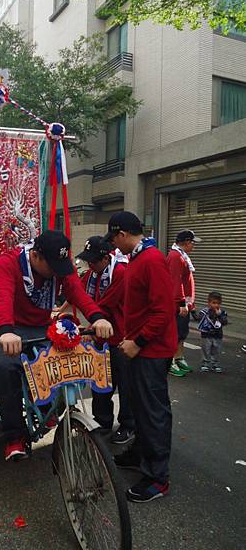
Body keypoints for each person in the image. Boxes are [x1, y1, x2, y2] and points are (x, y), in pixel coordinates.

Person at [0, 229, 113, 462]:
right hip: (6, 325)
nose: (57, 272)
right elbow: (2, 296)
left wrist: (97, 317)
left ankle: (46, 410)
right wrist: (6, 331)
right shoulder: (9, 262)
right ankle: (14, 436)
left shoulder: (59, 264)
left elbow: (76, 290)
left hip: (40, 323)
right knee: (6, 369)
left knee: (64, 361)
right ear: (35, 256)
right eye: (52, 266)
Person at [104, 211, 176, 503]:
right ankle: (140, 453)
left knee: (153, 411)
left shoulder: (152, 260)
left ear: (122, 234)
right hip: (136, 346)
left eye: (113, 239)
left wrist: (139, 341)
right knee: (136, 404)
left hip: (152, 350)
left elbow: (163, 311)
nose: (113, 245)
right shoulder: (136, 258)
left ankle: (158, 477)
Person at [75, 236, 134, 444]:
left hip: (121, 338)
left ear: (105, 258)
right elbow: (77, 293)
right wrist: (60, 311)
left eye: (93, 260)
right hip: (101, 340)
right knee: (101, 383)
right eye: (88, 261)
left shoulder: (120, 273)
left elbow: (106, 306)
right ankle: (102, 421)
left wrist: (90, 326)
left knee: (126, 386)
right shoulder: (92, 274)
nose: (89, 264)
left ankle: (128, 425)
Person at [166, 230, 201, 377]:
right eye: (193, 242)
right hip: (178, 305)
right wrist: (181, 303)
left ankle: (179, 357)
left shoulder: (181, 255)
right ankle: (171, 360)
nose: (194, 245)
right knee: (176, 333)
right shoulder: (175, 257)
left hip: (184, 303)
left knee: (181, 333)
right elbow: (175, 282)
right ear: (186, 242)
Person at [197, 291, 228, 373]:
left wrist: (219, 315)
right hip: (206, 335)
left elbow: (224, 322)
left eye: (218, 303)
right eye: (213, 303)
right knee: (206, 349)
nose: (216, 305)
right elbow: (199, 319)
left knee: (216, 350)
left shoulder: (223, 313)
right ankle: (205, 364)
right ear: (209, 303)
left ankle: (215, 364)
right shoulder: (204, 312)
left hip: (218, 335)